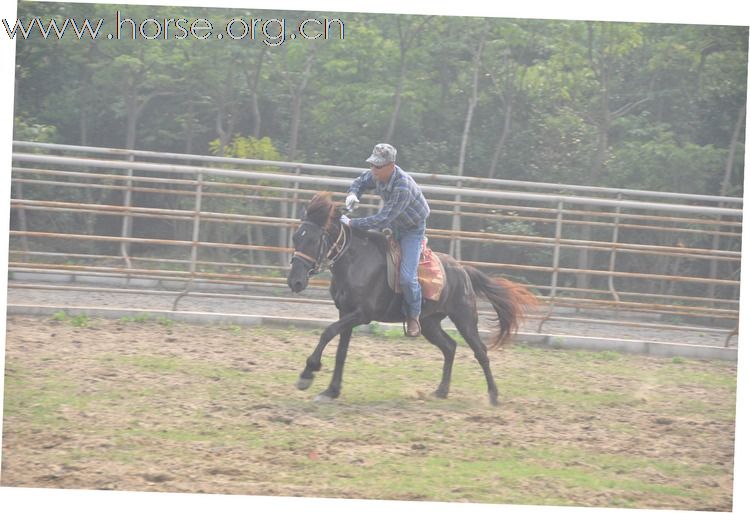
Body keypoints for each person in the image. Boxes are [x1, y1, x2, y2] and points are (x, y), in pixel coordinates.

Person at [339, 143, 430, 337]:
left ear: (391, 165)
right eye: (372, 164)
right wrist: (353, 194)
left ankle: (413, 315)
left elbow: (382, 219)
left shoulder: (402, 186)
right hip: (395, 223)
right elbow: (360, 181)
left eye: (378, 166)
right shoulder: (377, 174)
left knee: (406, 277)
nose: (373, 169)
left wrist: (352, 223)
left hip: (411, 229)